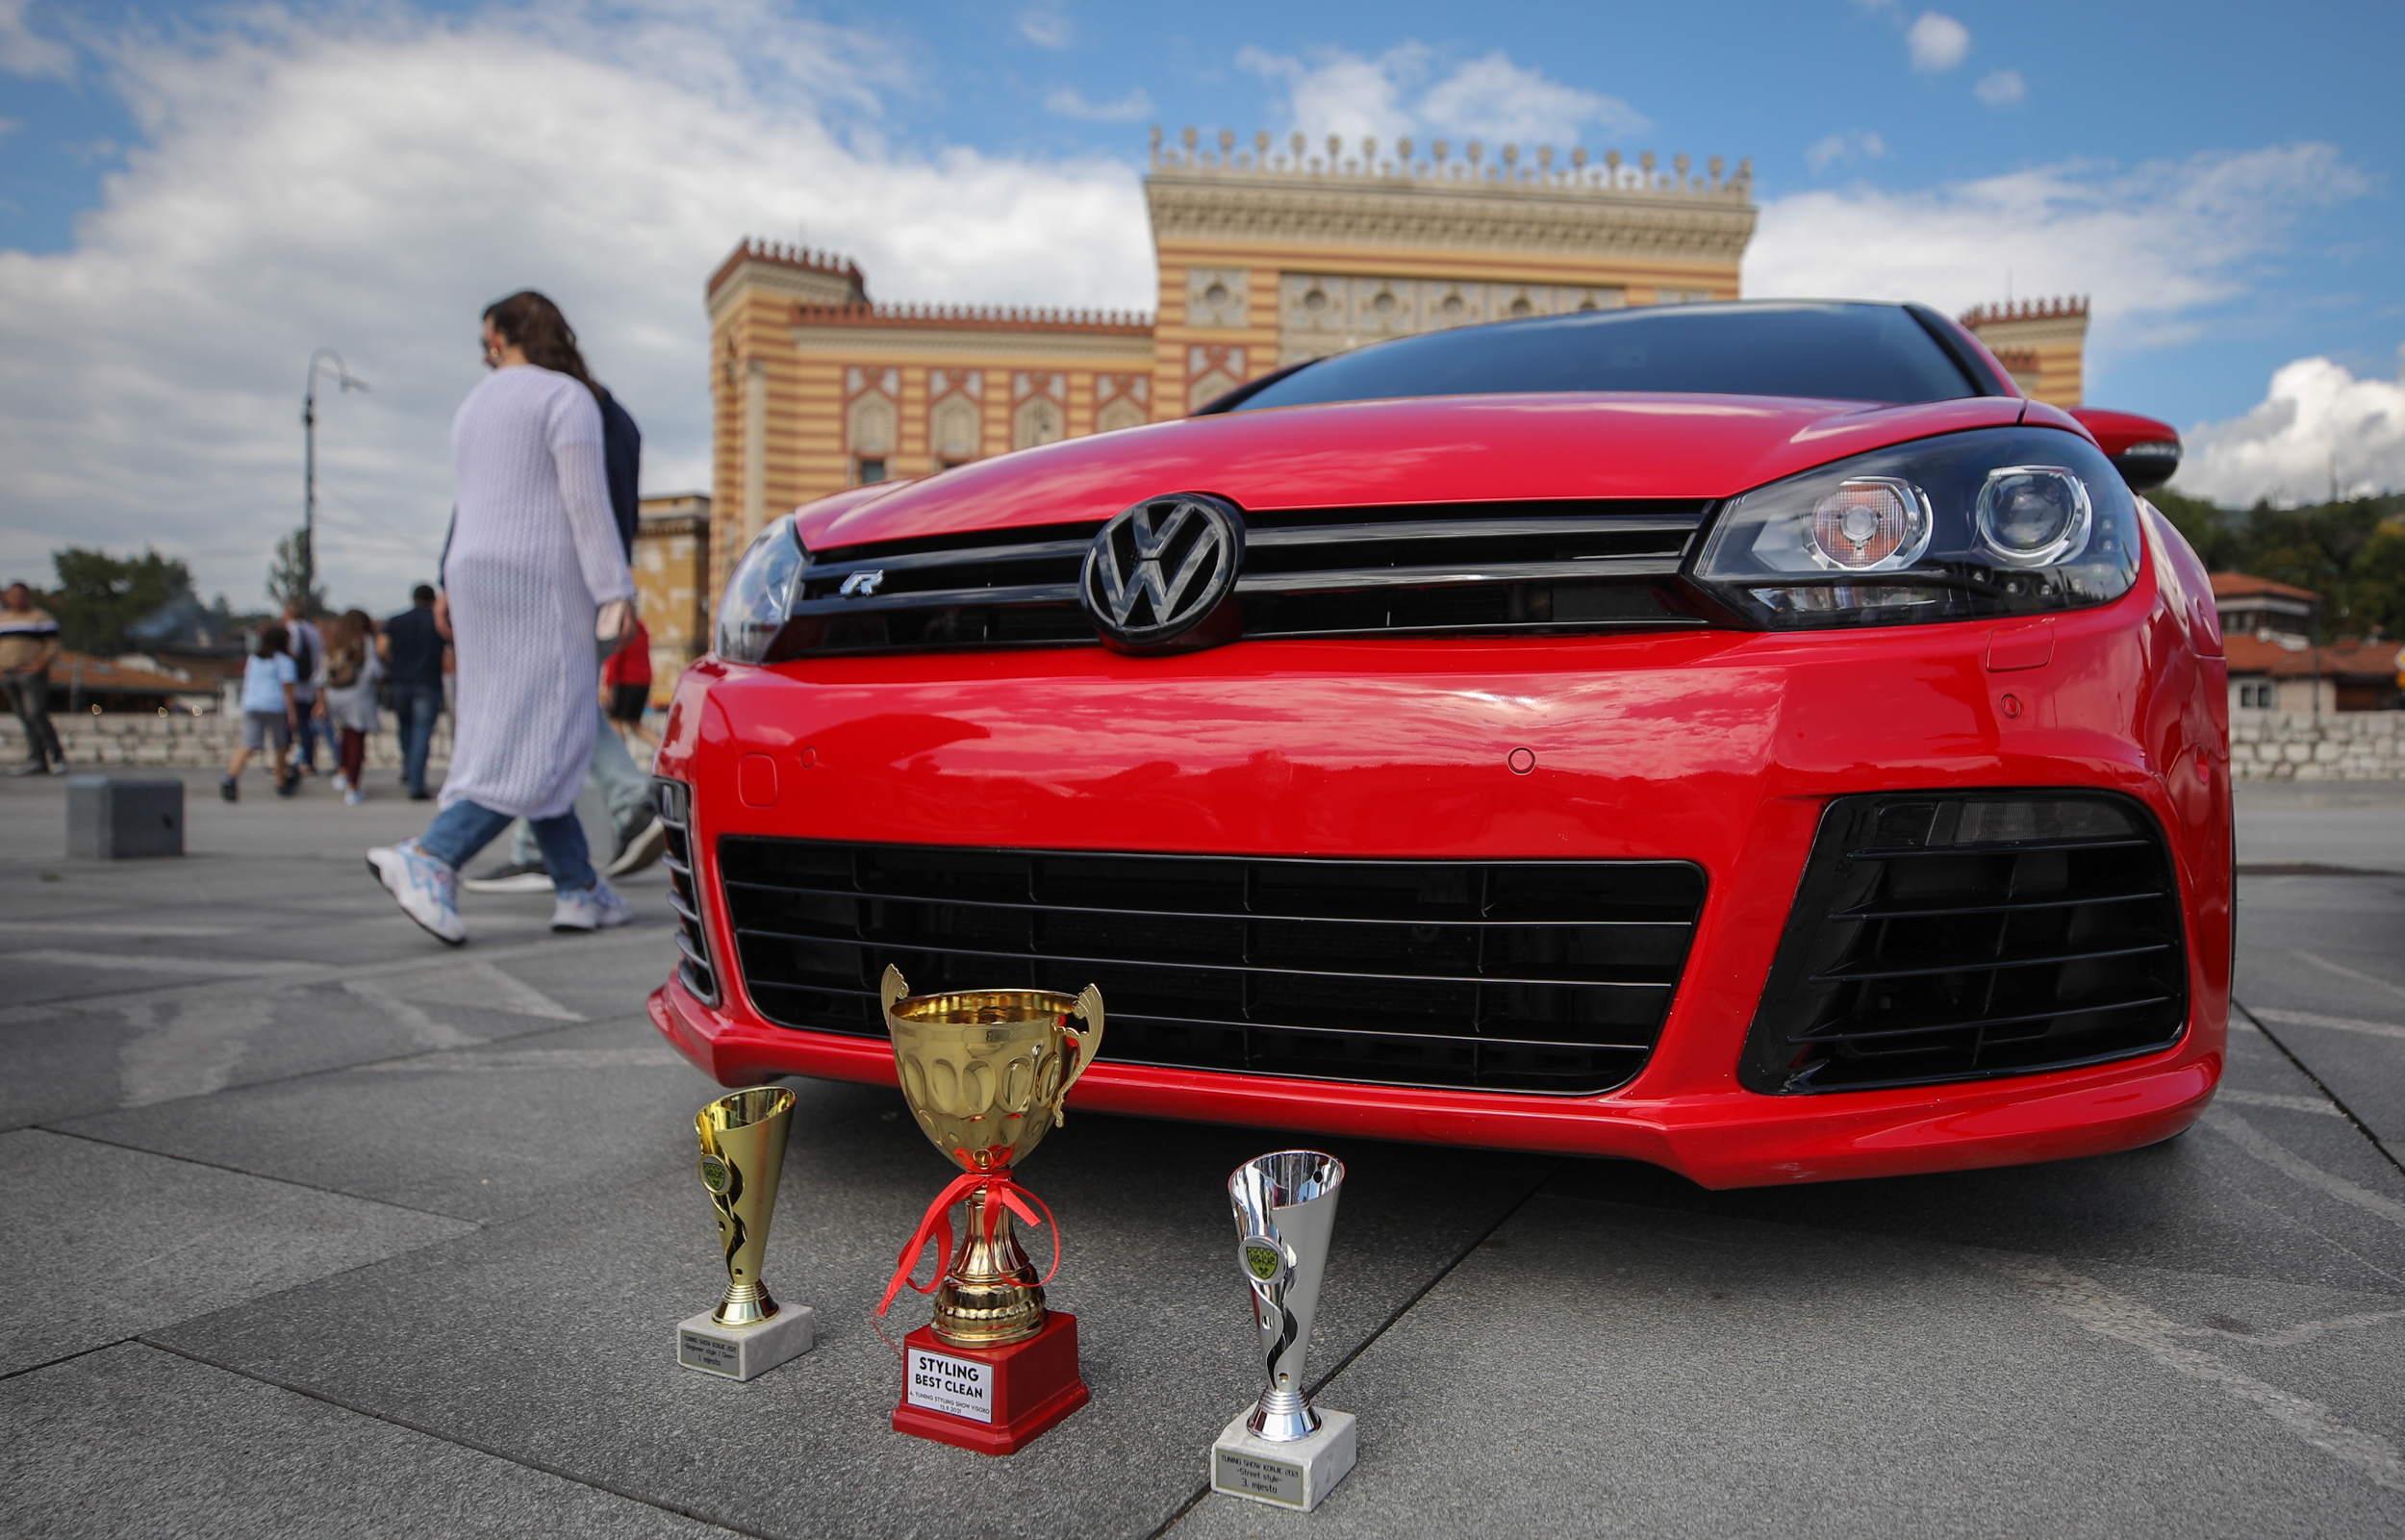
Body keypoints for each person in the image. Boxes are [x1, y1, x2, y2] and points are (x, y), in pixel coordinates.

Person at [367, 290, 637, 946]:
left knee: (513, 724)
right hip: (543, 577)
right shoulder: (565, 396)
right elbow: (584, 501)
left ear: (498, 336)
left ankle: (577, 886)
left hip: (473, 575)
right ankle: (432, 856)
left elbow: (472, 501)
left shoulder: (473, 404)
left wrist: (448, 588)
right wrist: (615, 588)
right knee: (542, 733)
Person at [462, 375, 663, 894]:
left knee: (548, 706)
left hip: (556, 584)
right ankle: (555, 853)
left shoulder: (560, 407)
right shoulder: (615, 419)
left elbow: (530, 497)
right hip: (595, 580)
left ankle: (627, 805)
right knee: (555, 707)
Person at [380, 584, 446, 800]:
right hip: (427, 682)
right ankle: (417, 783)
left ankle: (409, 770)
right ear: (433, 599)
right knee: (422, 732)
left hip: (399, 682)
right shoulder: (437, 622)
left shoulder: (396, 620)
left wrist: (393, 664)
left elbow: (381, 649)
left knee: (405, 728)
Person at [223, 623, 300, 800]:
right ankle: (280, 782)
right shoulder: (285, 661)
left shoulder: (253, 659)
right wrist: (293, 714)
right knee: (281, 745)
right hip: (275, 704)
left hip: (252, 703)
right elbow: (288, 690)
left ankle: (231, 777)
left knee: (249, 743)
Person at [1, 581, 66, 776]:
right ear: (7, 597)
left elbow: (53, 644)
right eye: (13, 595)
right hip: (7, 674)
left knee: (35, 713)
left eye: (21, 595)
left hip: (31, 674)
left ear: (28, 596)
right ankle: (37, 759)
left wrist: (39, 664)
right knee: (23, 716)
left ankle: (56, 756)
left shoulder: (40, 617)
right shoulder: (3, 619)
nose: (17, 598)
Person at [319, 609, 383, 806]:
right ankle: (352, 788)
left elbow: (321, 674)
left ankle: (342, 772)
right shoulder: (364, 640)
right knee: (357, 737)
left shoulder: (333, 641)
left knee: (345, 733)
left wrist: (320, 701)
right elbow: (374, 670)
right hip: (357, 693)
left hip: (334, 693)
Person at [283, 599, 325, 776]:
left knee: (296, 724)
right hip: (313, 683)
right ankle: (309, 760)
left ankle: (290, 761)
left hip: (297, 684)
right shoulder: (314, 630)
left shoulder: (293, 629)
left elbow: (292, 654)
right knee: (307, 724)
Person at [604, 609, 654, 752]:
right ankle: (664, 753)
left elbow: (614, 657)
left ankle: (620, 757)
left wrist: (609, 683)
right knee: (634, 724)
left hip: (625, 680)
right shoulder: (642, 630)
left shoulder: (622, 631)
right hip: (643, 681)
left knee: (615, 720)